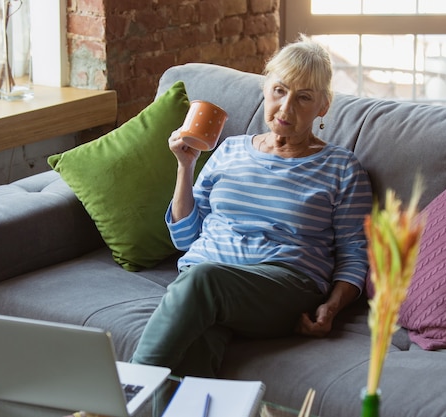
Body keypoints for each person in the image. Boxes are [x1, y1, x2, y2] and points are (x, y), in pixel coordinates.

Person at [131, 35, 373, 378]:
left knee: (203, 281)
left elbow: (354, 254)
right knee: (192, 359)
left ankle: (123, 395)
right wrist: (185, 167)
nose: (286, 107)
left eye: (303, 97)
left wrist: (331, 309)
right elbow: (186, 237)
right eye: (279, 90)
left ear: (323, 105)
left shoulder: (341, 168)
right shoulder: (230, 150)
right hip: (205, 285)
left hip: (284, 287)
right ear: (265, 89)